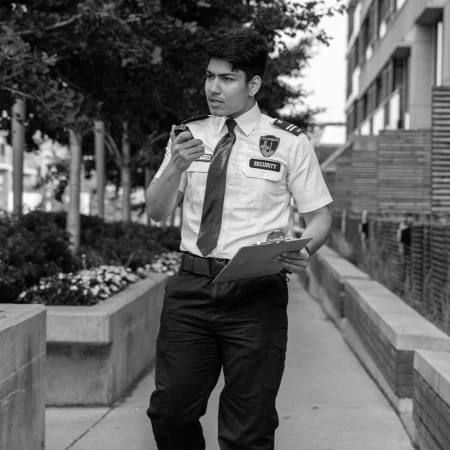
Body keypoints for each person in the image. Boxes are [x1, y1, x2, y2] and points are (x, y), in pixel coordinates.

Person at [145, 29, 333, 450]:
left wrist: (305, 247)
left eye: (227, 78)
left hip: (256, 293)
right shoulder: (187, 136)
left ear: (252, 85)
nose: (213, 87)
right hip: (191, 289)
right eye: (210, 76)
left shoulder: (289, 142)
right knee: (169, 411)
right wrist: (175, 166)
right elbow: (157, 212)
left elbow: (320, 216)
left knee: (247, 429)